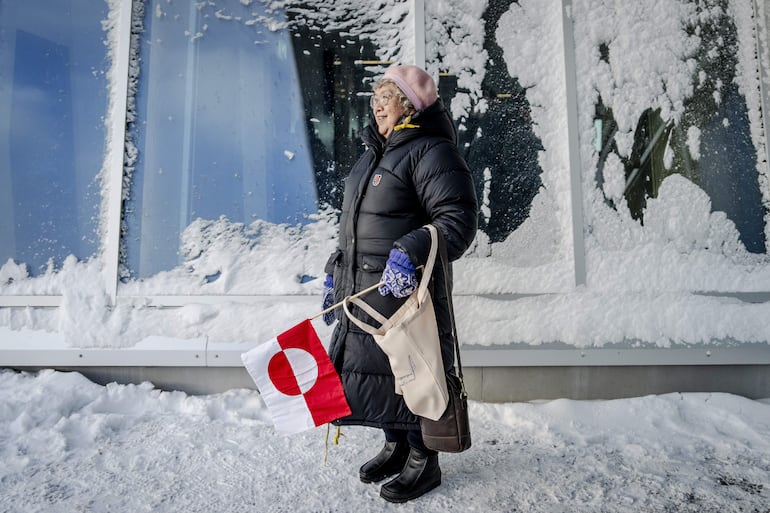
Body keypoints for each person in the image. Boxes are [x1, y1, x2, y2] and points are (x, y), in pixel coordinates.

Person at [322, 64, 478, 503]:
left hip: (408, 296)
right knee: (380, 376)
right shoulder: (376, 152)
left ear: (408, 104)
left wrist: (409, 252)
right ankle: (395, 445)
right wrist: (337, 270)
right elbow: (356, 226)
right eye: (375, 97)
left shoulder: (431, 151)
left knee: (413, 374)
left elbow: (458, 221)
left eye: (386, 96)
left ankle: (422, 458)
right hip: (367, 293)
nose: (376, 104)